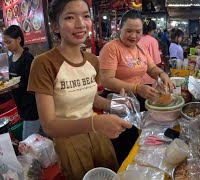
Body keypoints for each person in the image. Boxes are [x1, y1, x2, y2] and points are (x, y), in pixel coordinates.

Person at [27, 1, 132, 179]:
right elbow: (49, 126)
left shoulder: (92, 60)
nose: (80, 24)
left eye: (85, 16)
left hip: (98, 135)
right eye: (69, 17)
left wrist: (114, 104)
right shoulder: (43, 63)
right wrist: (95, 123)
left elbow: (89, 98)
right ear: (55, 26)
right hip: (68, 141)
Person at [98, 10, 174, 164]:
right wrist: (137, 88)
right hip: (118, 100)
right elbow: (106, 80)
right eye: (129, 31)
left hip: (138, 97)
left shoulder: (140, 48)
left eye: (138, 32)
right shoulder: (111, 48)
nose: (134, 36)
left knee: (140, 140)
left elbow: (151, 69)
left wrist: (162, 74)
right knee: (123, 144)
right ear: (120, 29)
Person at [3, 25, 41, 140]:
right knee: (40, 138)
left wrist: (17, 85)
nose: (6, 46)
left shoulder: (27, 58)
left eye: (9, 42)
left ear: (19, 39)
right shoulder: (10, 59)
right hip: (20, 105)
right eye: (5, 43)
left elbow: (34, 84)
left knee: (28, 141)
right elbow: (7, 79)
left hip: (31, 105)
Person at [139, 19, 162, 85]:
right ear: (152, 30)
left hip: (136, 77)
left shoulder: (137, 38)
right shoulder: (152, 41)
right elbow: (157, 61)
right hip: (149, 78)